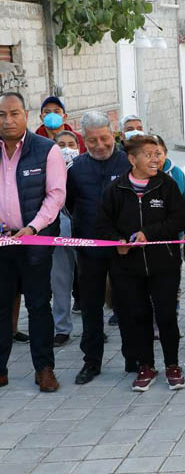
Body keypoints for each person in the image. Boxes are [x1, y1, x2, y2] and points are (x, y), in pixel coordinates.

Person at [94, 135, 185, 392]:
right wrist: (117, 241)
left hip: (164, 263)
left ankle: (173, 365)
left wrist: (151, 233)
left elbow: (179, 219)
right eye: (148, 154)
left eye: (157, 153)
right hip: (127, 267)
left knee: (167, 315)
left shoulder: (166, 185)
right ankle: (145, 365)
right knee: (138, 316)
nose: (155, 159)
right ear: (132, 159)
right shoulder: (116, 190)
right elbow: (101, 225)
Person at [0, 92, 66, 392]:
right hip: (2, 243)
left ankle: (44, 369)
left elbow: (55, 195)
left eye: (13, 113)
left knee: (39, 306)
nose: (7, 120)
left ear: (25, 114)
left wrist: (32, 227)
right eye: (2, 115)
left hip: (35, 241)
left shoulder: (46, 150)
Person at [67, 112, 132, 384]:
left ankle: (135, 358)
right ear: (84, 139)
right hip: (89, 248)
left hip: (124, 249)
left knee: (129, 304)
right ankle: (91, 361)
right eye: (92, 140)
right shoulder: (76, 168)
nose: (100, 145)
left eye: (104, 138)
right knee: (91, 306)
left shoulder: (129, 162)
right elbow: (68, 204)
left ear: (113, 132)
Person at [49, 131, 79, 347]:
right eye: (61, 144)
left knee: (88, 281)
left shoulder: (82, 168)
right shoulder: (47, 168)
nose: (66, 148)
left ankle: (93, 326)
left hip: (82, 230)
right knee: (59, 280)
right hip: (56, 230)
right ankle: (62, 328)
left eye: (71, 144)